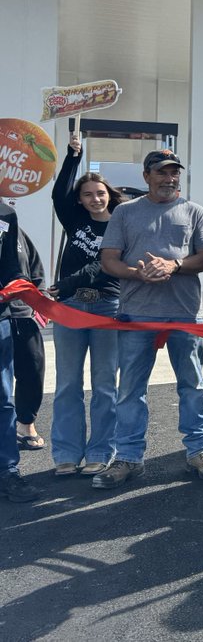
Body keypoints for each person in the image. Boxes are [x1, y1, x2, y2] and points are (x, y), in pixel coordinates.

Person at [95, 149, 203, 488]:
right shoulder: (124, 212)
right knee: (130, 390)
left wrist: (174, 266)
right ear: (146, 176)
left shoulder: (194, 211)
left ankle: (200, 451)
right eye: (162, 173)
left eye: (174, 173)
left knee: (193, 386)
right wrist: (139, 273)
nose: (169, 179)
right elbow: (109, 261)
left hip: (184, 313)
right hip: (136, 314)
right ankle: (128, 458)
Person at [48, 132, 123, 476]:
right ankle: (66, 453)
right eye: (88, 194)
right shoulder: (74, 219)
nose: (95, 199)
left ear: (110, 196)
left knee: (105, 384)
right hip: (70, 308)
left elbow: (105, 266)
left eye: (100, 193)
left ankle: (100, 451)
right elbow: (58, 193)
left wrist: (70, 280)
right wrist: (72, 157)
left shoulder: (122, 225)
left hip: (108, 306)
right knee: (67, 383)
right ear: (80, 200)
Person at [0, 200, 38, 501]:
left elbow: (12, 266)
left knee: (3, 400)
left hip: (1, 317)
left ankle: (8, 472)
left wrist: (20, 285)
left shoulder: (6, 213)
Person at [5, 229, 45, 455]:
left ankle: (25, 424)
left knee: (33, 366)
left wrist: (40, 301)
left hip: (21, 313)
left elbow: (34, 266)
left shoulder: (14, 229)